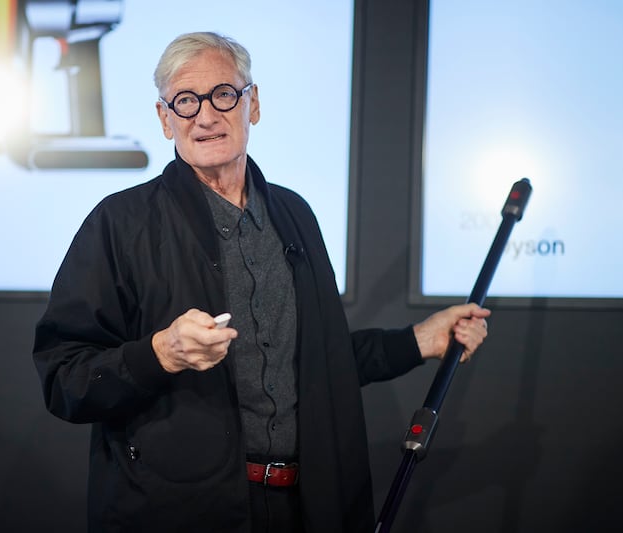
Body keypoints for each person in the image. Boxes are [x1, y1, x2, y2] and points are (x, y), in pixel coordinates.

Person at [32, 31, 490, 533]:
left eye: (224, 94)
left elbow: (317, 363)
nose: (206, 115)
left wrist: (418, 341)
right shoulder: (119, 224)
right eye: (186, 101)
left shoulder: (294, 215)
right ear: (165, 120)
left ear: (253, 104)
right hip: (181, 514)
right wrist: (159, 353)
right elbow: (65, 379)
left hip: (301, 508)